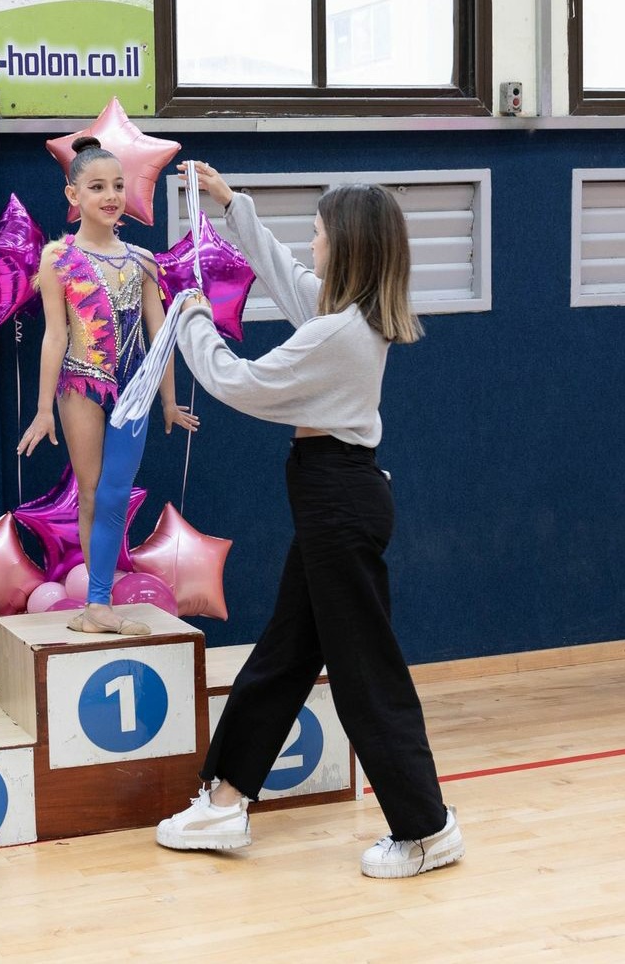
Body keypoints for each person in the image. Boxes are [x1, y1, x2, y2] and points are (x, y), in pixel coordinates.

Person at [155, 164, 464, 879]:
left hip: (338, 503)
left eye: (320, 234)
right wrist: (234, 208)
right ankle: (225, 798)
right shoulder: (344, 316)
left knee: (365, 675)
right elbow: (285, 271)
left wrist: (190, 315)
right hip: (334, 499)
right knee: (287, 654)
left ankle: (424, 829)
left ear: (348, 247)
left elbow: (240, 383)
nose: (312, 245)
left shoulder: (336, 336)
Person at [17, 136, 198, 636]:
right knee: (92, 493)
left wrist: (167, 398)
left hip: (134, 389)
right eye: (97, 187)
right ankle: (97, 602)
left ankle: (98, 601)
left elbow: (160, 337)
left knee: (116, 492)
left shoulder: (142, 262)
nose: (111, 195)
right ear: (74, 197)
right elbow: (55, 335)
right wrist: (41, 409)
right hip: (81, 385)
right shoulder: (59, 260)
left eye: (118, 185)